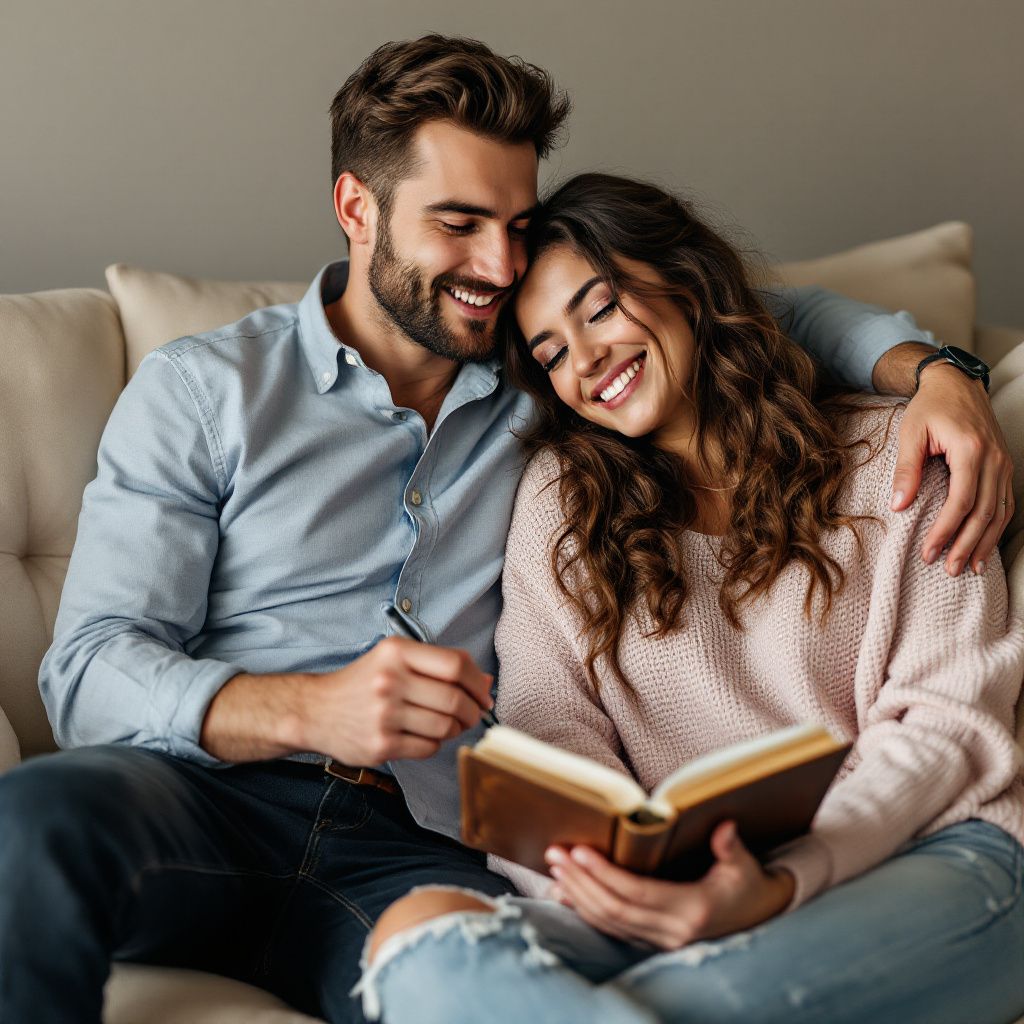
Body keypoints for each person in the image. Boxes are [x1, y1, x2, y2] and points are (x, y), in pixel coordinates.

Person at [0, 35, 1012, 1024]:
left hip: (419, 840)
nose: (495, 263)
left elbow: (738, 312)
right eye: (458, 223)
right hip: (204, 798)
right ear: (357, 207)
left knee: (454, 967)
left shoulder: (546, 385)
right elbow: (86, 673)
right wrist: (307, 710)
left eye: (516, 224)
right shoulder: (205, 390)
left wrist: (937, 373)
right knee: (32, 819)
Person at [358, 175, 1024, 1024]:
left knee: (691, 1003)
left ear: (688, 281)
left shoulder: (900, 453)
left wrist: (780, 882)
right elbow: (550, 729)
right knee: (418, 942)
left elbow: (947, 724)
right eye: (553, 353)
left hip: (927, 856)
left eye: (598, 309)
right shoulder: (564, 501)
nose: (586, 360)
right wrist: (617, 890)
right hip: (673, 897)